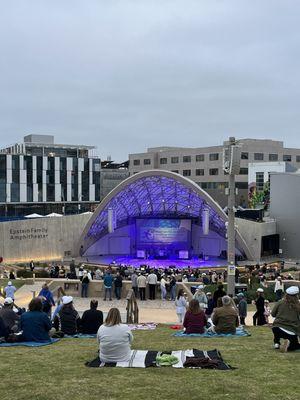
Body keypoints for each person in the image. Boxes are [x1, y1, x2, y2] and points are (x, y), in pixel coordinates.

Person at [271, 286, 300, 351]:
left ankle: (276, 343)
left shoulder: (280, 302)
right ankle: (288, 347)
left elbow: (273, 314)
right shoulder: (298, 305)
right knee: (296, 346)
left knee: (277, 329)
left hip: (276, 328)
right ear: (296, 295)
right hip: (291, 330)